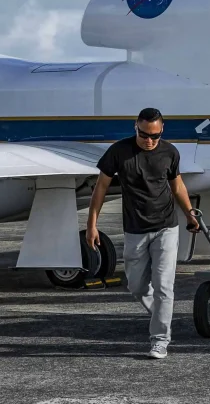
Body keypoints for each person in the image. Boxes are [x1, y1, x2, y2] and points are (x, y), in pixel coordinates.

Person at [86, 107, 200, 359]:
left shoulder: (170, 152)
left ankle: (160, 339)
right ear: (135, 127)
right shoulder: (119, 151)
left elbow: (177, 184)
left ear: (162, 131)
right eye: (144, 134)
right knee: (136, 286)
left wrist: (190, 213)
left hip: (166, 227)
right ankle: (162, 314)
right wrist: (92, 224)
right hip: (135, 229)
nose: (149, 141)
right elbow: (100, 188)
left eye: (155, 136)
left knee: (163, 286)